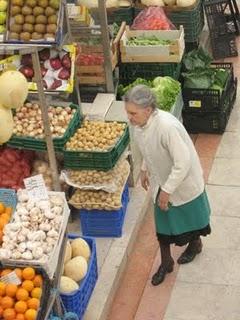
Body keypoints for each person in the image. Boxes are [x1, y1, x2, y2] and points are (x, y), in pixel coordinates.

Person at [123, 85, 211, 286]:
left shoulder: (166, 127)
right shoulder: (140, 125)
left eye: (133, 113)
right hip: (162, 181)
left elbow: (183, 162)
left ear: (148, 109)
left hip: (183, 183)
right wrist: (145, 169)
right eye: (128, 112)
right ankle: (166, 262)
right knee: (163, 227)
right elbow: (147, 148)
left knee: (191, 219)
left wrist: (167, 190)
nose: (129, 117)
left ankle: (195, 244)